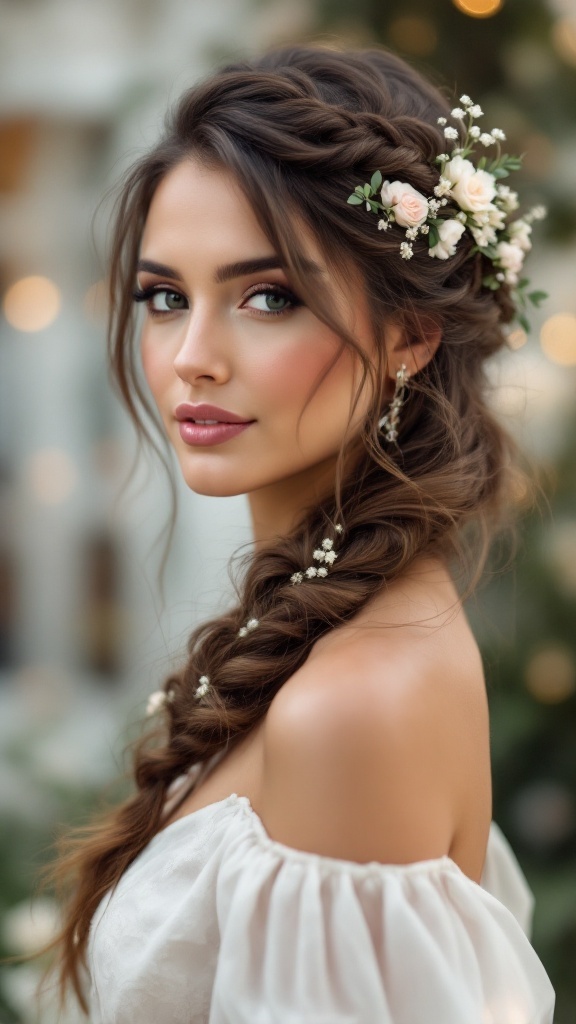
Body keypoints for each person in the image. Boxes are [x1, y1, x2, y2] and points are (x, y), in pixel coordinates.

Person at [48, 43, 555, 1022]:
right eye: (165, 297)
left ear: (411, 332)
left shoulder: (353, 709)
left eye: (267, 297)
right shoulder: (361, 608)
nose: (191, 358)